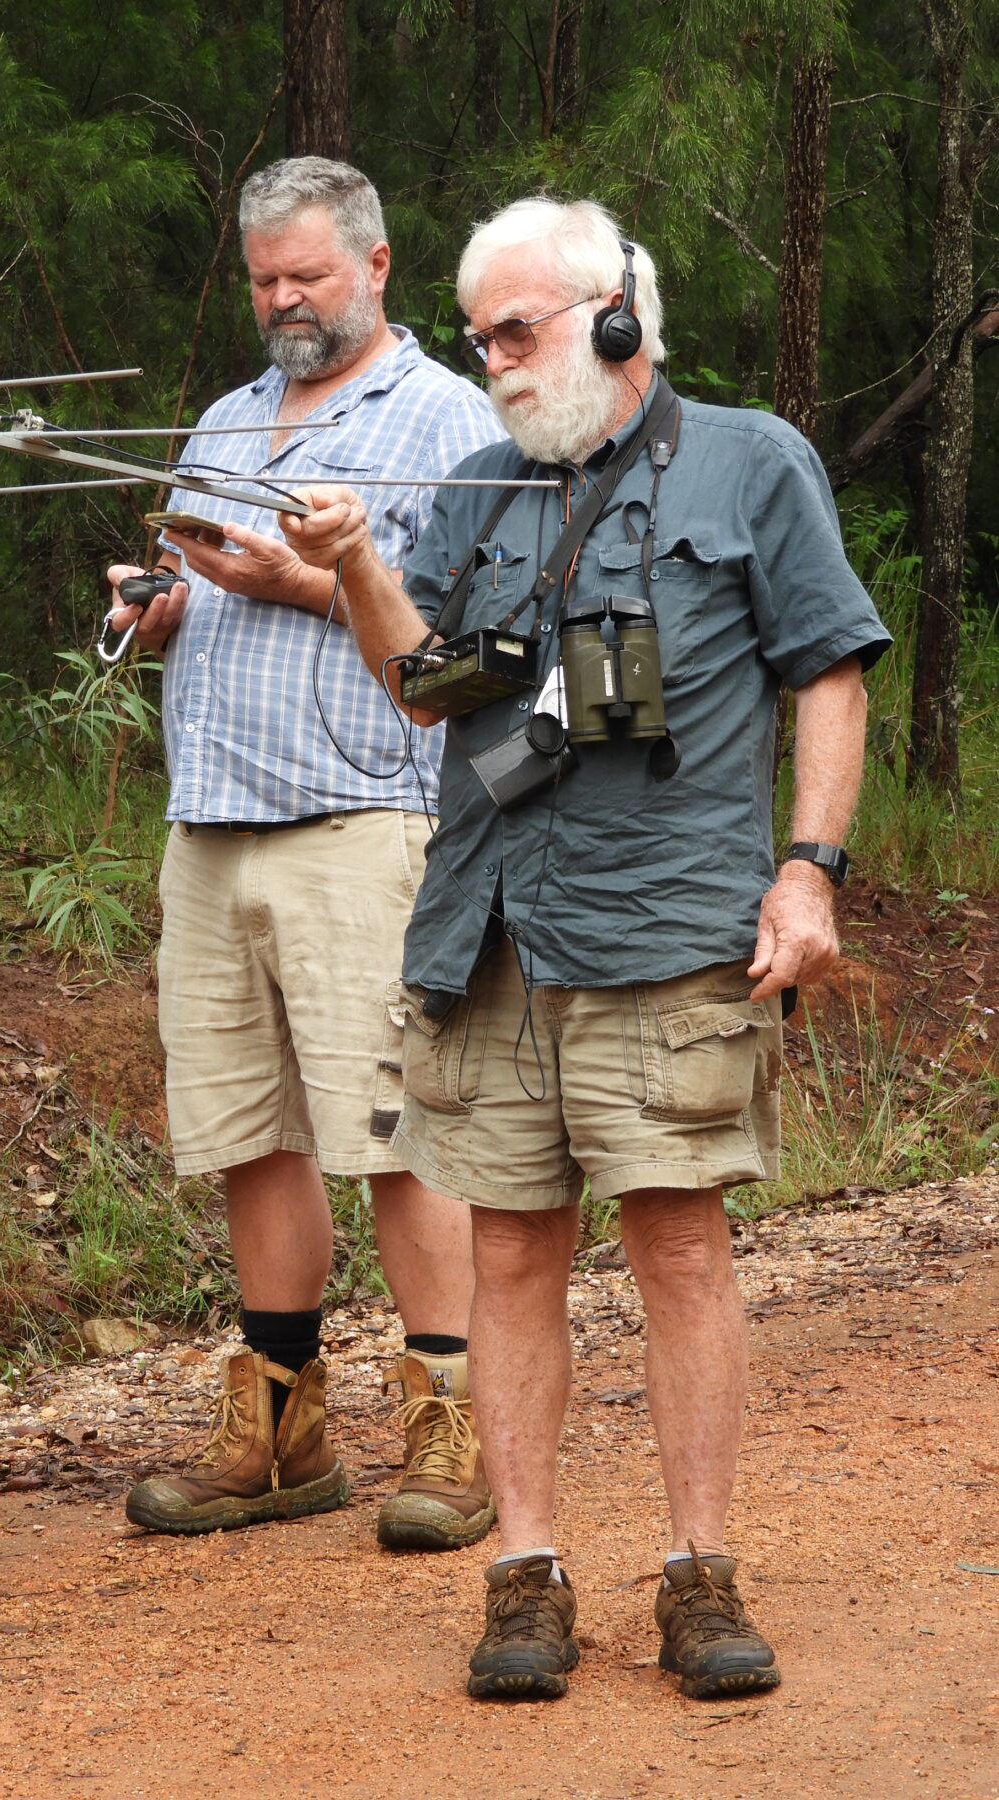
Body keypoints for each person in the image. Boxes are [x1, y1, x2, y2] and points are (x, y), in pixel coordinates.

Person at [281, 196, 891, 1697]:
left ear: (615, 316)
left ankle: (697, 1571)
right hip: (488, 925)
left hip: (667, 921)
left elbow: (827, 670)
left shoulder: (750, 460)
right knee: (507, 1247)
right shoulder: (479, 486)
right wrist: (357, 558)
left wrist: (806, 873)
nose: (488, 360)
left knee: (677, 1239)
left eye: (514, 330)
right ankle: (525, 1569)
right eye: (477, 333)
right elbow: (423, 687)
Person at [106, 158, 505, 1549]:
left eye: (308, 278)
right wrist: (159, 605)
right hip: (210, 822)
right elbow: (197, 579)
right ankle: (280, 1427)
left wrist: (307, 579)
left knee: (395, 1131)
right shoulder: (225, 417)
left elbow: (463, 652)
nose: (283, 300)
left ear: (377, 266)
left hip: (363, 819)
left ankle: (457, 1426)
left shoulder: (448, 419)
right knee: (247, 1132)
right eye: (266, 278)